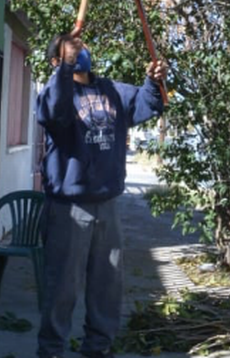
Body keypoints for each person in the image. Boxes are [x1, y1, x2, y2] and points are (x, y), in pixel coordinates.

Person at [36, 33, 167, 358]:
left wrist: (154, 81)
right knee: (62, 287)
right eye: (71, 51)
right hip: (69, 207)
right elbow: (53, 111)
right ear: (56, 61)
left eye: (82, 48)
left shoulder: (112, 90)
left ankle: (98, 348)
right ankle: (51, 350)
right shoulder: (57, 93)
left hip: (107, 203)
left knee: (107, 285)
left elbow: (148, 104)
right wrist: (65, 70)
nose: (82, 52)